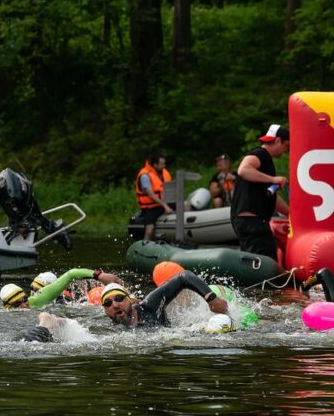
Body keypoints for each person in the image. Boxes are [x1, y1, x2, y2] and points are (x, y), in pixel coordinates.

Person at [230, 124, 290, 260]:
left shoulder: (266, 162)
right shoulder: (259, 154)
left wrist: (291, 214)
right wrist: (273, 179)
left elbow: (271, 197)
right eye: (286, 145)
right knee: (264, 262)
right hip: (251, 221)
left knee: (260, 260)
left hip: (253, 221)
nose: (286, 150)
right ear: (278, 140)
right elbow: (243, 170)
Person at [100, 270, 229, 328]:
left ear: (130, 300)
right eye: (108, 303)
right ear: (105, 311)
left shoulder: (150, 305)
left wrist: (211, 298)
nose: (115, 305)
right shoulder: (111, 329)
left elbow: (184, 276)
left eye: (119, 298)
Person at [135, 154, 173, 241]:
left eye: (164, 164)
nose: (164, 166)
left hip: (164, 203)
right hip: (151, 207)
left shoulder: (164, 173)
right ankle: (145, 244)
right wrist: (165, 206)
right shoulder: (145, 176)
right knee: (150, 229)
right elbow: (151, 195)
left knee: (185, 206)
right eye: (162, 164)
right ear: (155, 164)